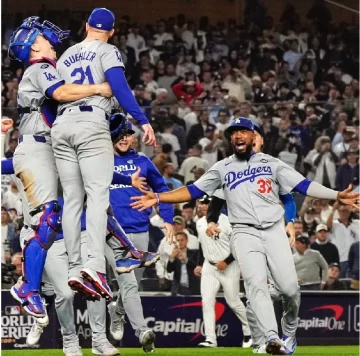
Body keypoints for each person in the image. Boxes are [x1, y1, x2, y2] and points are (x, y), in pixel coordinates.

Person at [130, 118, 359, 355]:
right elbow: (193, 190)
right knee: (256, 285)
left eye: (242, 132)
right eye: (234, 133)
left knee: (290, 289)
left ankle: (288, 332)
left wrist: (335, 195)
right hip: (244, 232)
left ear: (252, 137)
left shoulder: (272, 164)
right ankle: (272, 338)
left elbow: (302, 184)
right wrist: (158, 197)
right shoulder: (222, 168)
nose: (238, 136)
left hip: (273, 230)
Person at [7, 16, 112, 317]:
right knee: (47, 219)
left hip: (46, 148)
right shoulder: (40, 68)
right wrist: (101, 89)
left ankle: (89, 268)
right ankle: (28, 286)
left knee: (82, 203)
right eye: (43, 36)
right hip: (38, 148)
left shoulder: (46, 69)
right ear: (34, 44)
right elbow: (62, 94)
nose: (51, 40)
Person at [51, 8, 156, 301]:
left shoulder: (64, 56)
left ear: (86, 26)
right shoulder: (108, 50)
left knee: (72, 200)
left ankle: (74, 267)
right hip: (91, 122)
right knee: (97, 196)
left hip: (61, 126)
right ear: (111, 31)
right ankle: (94, 266)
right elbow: (118, 87)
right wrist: (142, 120)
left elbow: (55, 95)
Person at [109, 117, 174, 285]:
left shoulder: (143, 161)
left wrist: (168, 220)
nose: (124, 138)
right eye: (120, 134)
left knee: (133, 286)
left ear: (133, 138)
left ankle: (118, 312)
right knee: (105, 287)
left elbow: (162, 190)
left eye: (128, 134)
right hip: (109, 233)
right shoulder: (101, 161)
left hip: (139, 231)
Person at [194, 195, 252, 348]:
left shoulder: (227, 221)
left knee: (233, 302)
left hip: (229, 265)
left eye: (207, 203)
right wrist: (200, 264)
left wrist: (226, 262)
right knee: (207, 302)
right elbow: (202, 245)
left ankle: (249, 331)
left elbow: (238, 246)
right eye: (201, 203)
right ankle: (210, 339)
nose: (203, 206)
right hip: (209, 266)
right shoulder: (199, 223)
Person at [166, 231, 200, 295]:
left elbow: (197, 266)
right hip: (178, 289)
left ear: (187, 241)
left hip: (193, 288)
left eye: (182, 240)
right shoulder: (174, 254)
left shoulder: (195, 252)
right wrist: (171, 258)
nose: (180, 242)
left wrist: (185, 259)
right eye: (178, 240)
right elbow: (169, 270)